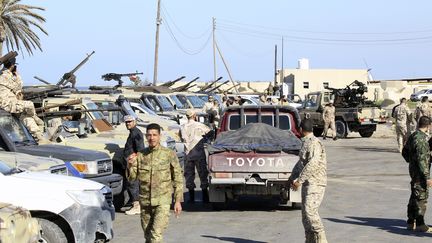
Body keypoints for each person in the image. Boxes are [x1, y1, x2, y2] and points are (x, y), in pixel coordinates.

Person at [127, 123, 183, 242]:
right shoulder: (141, 155)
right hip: (146, 202)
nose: (151, 138)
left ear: (159, 136)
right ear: (146, 137)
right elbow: (132, 178)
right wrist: (129, 165)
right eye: (149, 135)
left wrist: (177, 201)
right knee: (148, 236)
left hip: (162, 201)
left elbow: (177, 178)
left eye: (154, 135)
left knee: (156, 235)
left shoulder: (169, 154)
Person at [289, 118, 328, 243]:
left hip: (316, 183)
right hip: (308, 183)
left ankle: (321, 239)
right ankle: (310, 240)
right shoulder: (306, 142)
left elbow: (312, 164)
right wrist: (291, 178)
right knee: (305, 216)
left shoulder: (315, 143)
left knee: (310, 212)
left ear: (301, 129)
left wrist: (299, 180)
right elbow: (301, 163)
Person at [0, 55, 45, 142]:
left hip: (12, 103)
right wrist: (17, 75)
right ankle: (35, 117)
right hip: (8, 104)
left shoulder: (5, 74)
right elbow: (19, 87)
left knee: (27, 119)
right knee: (30, 104)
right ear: (13, 65)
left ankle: (39, 138)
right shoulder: (4, 75)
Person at [402, 116, 432, 232]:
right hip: (420, 173)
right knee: (421, 197)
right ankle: (420, 224)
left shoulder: (414, 135)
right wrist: (427, 177)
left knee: (414, 195)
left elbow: (404, 152)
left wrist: (411, 161)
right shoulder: (422, 140)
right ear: (428, 126)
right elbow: (422, 160)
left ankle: (410, 222)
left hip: (414, 171)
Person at [180, 110, 211, 203]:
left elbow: (181, 138)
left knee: (189, 175)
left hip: (188, 154)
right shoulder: (199, 125)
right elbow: (209, 132)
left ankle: (191, 197)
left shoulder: (183, 127)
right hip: (199, 154)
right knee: (202, 174)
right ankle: (205, 196)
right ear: (194, 116)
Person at [123, 115, 145, 215]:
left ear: (135, 122)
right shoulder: (132, 132)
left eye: (130, 122)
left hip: (134, 162)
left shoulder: (136, 133)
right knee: (132, 183)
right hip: (130, 162)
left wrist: (134, 158)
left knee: (133, 183)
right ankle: (136, 204)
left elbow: (140, 149)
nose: (128, 124)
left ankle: (137, 206)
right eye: (126, 122)